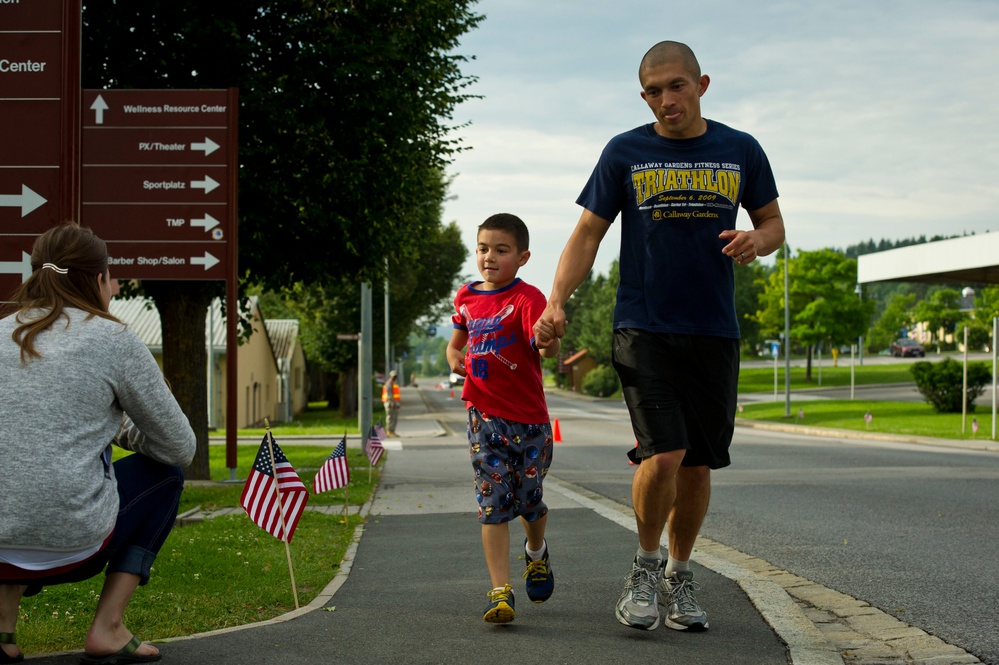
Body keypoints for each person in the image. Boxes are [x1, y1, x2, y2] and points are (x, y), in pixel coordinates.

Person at [533, 41, 786, 632]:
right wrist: (556, 300)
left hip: (714, 329)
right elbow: (588, 233)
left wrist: (759, 239)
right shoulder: (625, 151)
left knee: (697, 465)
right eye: (653, 91)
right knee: (664, 451)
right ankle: (645, 567)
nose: (666, 100)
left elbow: (773, 222)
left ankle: (679, 572)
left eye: (676, 86)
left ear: (701, 83)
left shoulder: (741, 148)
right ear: (642, 94)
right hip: (643, 325)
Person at [0, 223, 196, 663]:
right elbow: (179, 447)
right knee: (166, 476)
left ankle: (3, 629)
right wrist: (118, 427)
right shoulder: (113, 339)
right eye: (112, 274)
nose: (118, 284)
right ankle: (107, 626)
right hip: (73, 548)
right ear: (94, 279)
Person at [446, 213, 561, 624]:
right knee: (492, 505)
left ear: (523, 256)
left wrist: (547, 338)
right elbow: (455, 343)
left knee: (529, 501)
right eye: (482, 248)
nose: (489, 257)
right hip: (483, 418)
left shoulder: (529, 299)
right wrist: (455, 358)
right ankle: (500, 593)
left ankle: (536, 554)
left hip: (529, 420)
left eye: (501, 249)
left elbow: (542, 345)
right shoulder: (466, 296)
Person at [381, 370, 401, 436]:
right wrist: (392, 403)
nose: (394, 378)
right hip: (389, 403)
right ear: (390, 376)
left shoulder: (393, 384)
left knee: (394, 418)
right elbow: (389, 394)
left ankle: (392, 431)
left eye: (395, 376)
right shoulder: (389, 383)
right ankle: (389, 431)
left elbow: (396, 395)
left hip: (394, 403)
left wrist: (397, 404)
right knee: (390, 417)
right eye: (393, 376)